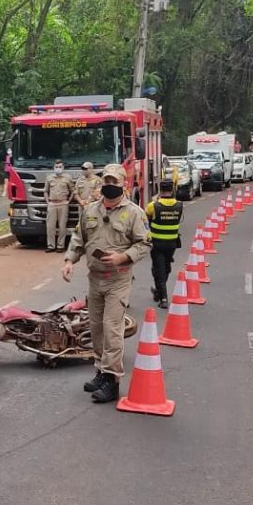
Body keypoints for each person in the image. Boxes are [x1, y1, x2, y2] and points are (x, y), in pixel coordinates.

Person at [61, 164, 150, 403]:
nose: (109, 186)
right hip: (95, 278)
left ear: (123, 185)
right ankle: (101, 370)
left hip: (118, 280)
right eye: (106, 182)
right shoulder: (90, 210)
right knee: (97, 328)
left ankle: (113, 381)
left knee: (112, 329)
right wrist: (70, 260)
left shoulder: (134, 213)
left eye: (114, 182)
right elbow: (79, 238)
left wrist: (123, 256)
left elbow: (144, 244)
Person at [145, 178, 182, 309]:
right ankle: (158, 291)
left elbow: (146, 217)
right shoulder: (179, 205)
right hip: (172, 244)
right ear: (172, 190)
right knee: (166, 268)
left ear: (160, 190)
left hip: (157, 243)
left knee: (158, 270)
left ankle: (163, 298)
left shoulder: (153, 205)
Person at [45, 160, 75, 253]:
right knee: (50, 226)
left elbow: (73, 190)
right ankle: (51, 246)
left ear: (63, 167)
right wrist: (48, 202)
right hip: (52, 204)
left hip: (63, 204)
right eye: (56, 167)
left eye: (60, 167)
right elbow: (46, 191)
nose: (58, 168)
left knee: (62, 226)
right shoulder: (49, 178)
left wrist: (68, 201)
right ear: (54, 167)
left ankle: (60, 246)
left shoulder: (68, 178)